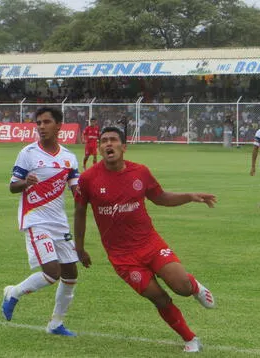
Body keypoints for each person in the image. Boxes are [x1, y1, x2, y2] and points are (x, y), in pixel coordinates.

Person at [74, 127, 216, 352]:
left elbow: (160, 198)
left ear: (124, 146)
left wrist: (189, 196)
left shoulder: (140, 172)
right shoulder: (87, 179)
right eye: (104, 141)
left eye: (113, 140)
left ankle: (194, 286)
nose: (108, 144)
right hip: (122, 256)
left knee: (181, 287)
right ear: (100, 148)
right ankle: (190, 339)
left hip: (150, 244)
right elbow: (79, 212)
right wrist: (79, 248)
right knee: (158, 297)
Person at [1, 107, 80, 337]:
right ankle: (13, 292)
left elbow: (77, 189)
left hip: (59, 223)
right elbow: (12, 186)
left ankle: (56, 323)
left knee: (71, 274)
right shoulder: (28, 153)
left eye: (46, 122)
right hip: (36, 220)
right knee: (52, 272)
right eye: (38, 123)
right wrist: (25, 182)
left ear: (59, 126)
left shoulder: (69, 157)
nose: (41, 127)